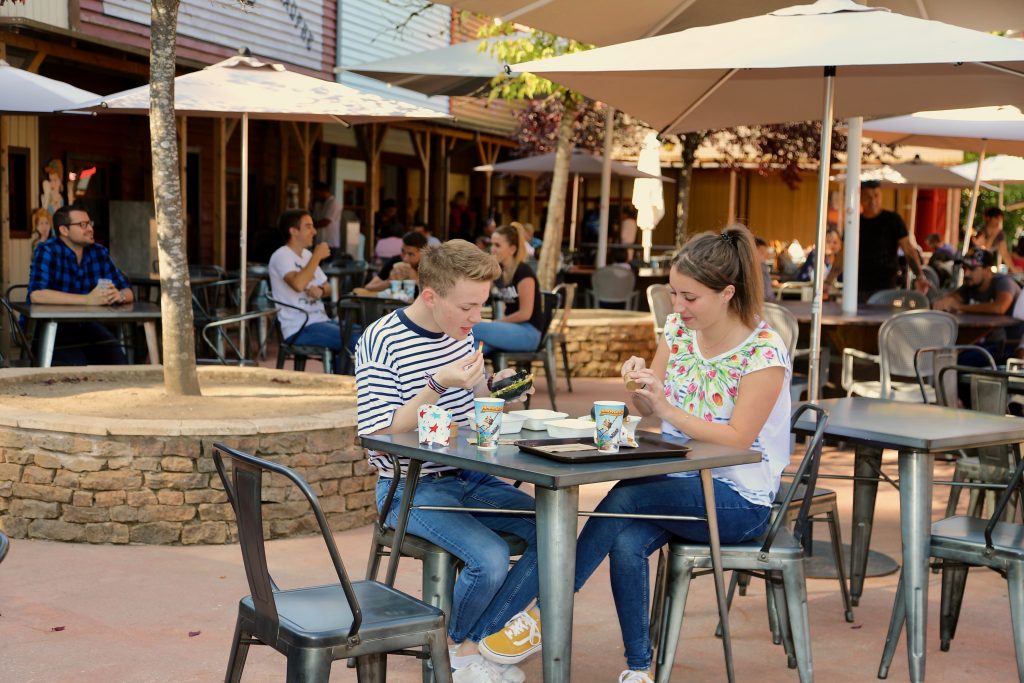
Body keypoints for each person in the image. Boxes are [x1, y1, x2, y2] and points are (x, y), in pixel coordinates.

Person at [478, 226, 792, 683]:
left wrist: (664, 406)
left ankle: (542, 616)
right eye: (674, 294)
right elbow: (648, 406)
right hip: (676, 483)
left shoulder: (763, 352)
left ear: (727, 293)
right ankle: (639, 669)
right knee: (624, 539)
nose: (678, 307)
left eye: (689, 297)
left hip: (740, 502)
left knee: (626, 496)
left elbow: (740, 439)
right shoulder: (680, 332)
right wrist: (641, 384)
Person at [355, 239, 538, 683]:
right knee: (491, 557)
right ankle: (459, 649)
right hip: (408, 488)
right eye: (468, 307)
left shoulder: (461, 332)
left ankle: (473, 643)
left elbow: (470, 398)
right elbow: (378, 431)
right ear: (431, 296)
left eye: (481, 306)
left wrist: (498, 386)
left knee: (552, 532)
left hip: (469, 476)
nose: (477, 318)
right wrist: (435, 384)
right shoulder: (380, 340)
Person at [27, 204, 134, 365]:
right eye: (82, 225)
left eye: (90, 223)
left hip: (87, 325)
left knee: (118, 360)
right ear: (64, 230)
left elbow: (128, 291)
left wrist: (120, 295)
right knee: (74, 366)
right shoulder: (47, 250)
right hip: (52, 326)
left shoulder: (99, 252)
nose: (90, 229)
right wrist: (87, 299)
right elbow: (37, 294)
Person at [268, 209, 347, 368]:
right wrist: (317, 256)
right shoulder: (281, 255)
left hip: (320, 320)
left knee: (362, 331)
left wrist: (321, 290)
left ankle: (342, 380)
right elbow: (298, 284)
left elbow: (328, 287)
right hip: (299, 327)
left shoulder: (307, 255)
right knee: (354, 339)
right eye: (308, 226)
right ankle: (344, 386)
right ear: (293, 231)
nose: (314, 231)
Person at [825, 180, 922, 302]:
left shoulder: (893, 220)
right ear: (861, 199)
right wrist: (828, 282)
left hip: (886, 286)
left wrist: (920, 276)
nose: (873, 201)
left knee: (881, 319)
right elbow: (843, 255)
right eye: (868, 197)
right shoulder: (854, 222)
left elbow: (908, 250)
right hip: (858, 286)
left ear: (881, 195)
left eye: (876, 196)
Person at [929, 249, 1022, 362]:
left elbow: (1000, 308)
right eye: (964, 268)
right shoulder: (970, 286)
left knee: (955, 360)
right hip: (986, 343)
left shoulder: (1003, 282)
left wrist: (961, 307)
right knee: (942, 356)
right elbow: (948, 300)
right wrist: (941, 302)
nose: (966, 273)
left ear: (987, 270)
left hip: (1010, 347)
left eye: (972, 269)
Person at [472, 224, 544, 355]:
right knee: (474, 348)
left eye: (497, 245)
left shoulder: (523, 272)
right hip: (510, 330)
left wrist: (496, 323)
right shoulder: (499, 273)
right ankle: (478, 374)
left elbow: (525, 313)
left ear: (512, 249)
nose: (492, 249)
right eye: (492, 244)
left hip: (529, 333)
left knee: (471, 328)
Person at [361, 230, 427, 293]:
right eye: (403, 251)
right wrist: (390, 282)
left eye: (411, 254)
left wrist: (416, 279)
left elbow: (436, 294)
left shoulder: (430, 266)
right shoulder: (395, 261)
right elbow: (368, 287)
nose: (405, 259)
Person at [972, 207, 1019, 273]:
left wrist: (1013, 269)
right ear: (988, 218)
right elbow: (984, 251)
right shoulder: (980, 231)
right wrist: (992, 236)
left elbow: (1004, 254)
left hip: (986, 266)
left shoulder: (999, 234)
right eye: (996, 218)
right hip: (975, 265)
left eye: (1000, 219)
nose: (998, 222)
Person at [310, 181, 342, 249]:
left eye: (316, 193)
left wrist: (308, 226)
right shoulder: (318, 203)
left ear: (323, 192)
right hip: (319, 242)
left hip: (330, 243)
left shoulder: (334, 203)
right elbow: (313, 219)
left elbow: (325, 222)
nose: (315, 195)